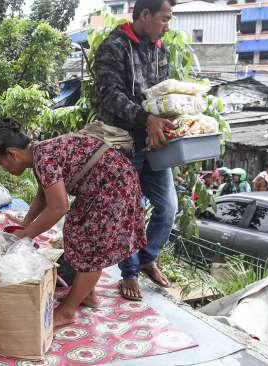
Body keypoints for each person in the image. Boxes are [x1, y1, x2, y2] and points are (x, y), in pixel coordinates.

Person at [0, 119, 146, 326]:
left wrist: (25, 235)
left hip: (114, 186)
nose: (3, 168)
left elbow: (59, 207)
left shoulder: (44, 157)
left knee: (91, 246)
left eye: (1, 163)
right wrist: (27, 222)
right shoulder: (39, 154)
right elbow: (44, 194)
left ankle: (68, 310)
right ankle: (87, 294)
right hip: (103, 186)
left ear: (13, 154)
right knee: (74, 230)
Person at [95, 0, 176, 301]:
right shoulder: (113, 47)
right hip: (123, 141)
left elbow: (164, 94)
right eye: (164, 19)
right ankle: (128, 273)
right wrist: (147, 119)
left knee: (167, 206)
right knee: (128, 209)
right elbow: (110, 96)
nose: (167, 26)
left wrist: (174, 116)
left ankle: (147, 257)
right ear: (145, 15)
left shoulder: (161, 50)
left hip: (156, 140)